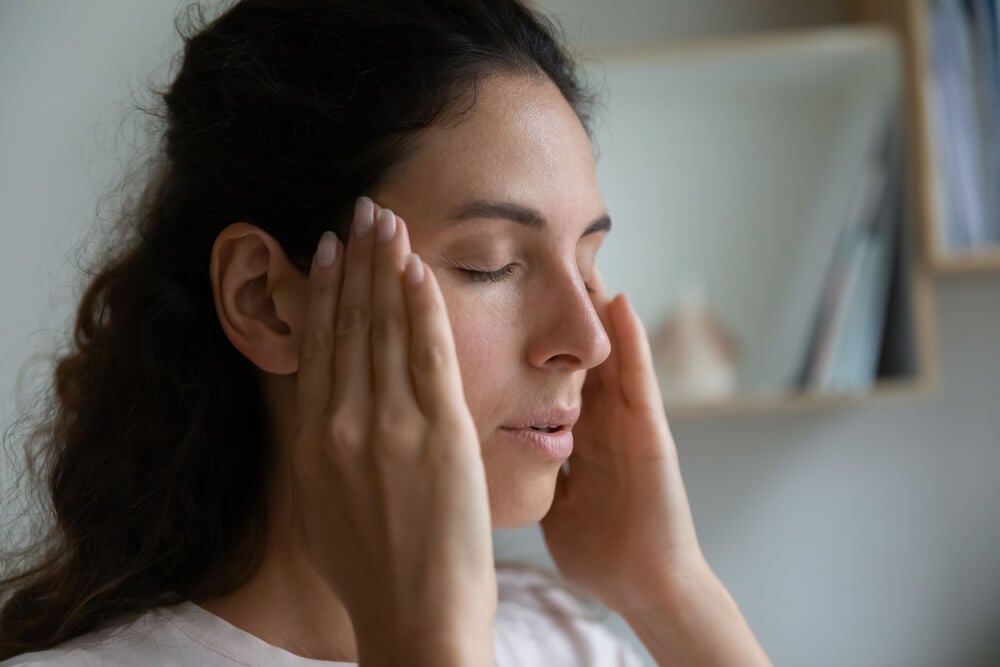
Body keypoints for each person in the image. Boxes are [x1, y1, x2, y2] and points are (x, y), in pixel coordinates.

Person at [0, 0, 772, 665]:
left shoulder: (567, 642)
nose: (587, 339)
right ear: (265, 299)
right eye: (491, 265)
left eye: (588, 259)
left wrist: (669, 587)